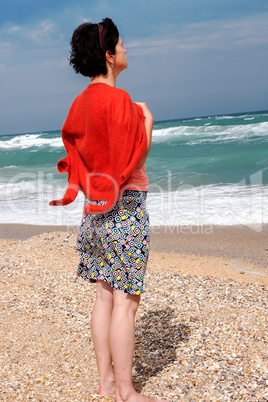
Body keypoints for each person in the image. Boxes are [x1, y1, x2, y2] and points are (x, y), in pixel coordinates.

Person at [50, 18, 169, 402]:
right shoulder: (120, 101)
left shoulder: (79, 104)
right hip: (125, 208)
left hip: (93, 212)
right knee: (126, 301)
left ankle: (106, 382)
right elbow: (130, 161)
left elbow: (85, 157)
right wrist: (147, 123)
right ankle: (127, 393)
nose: (126, 49)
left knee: (104, 295)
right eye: (121, 45)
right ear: (108, 55)